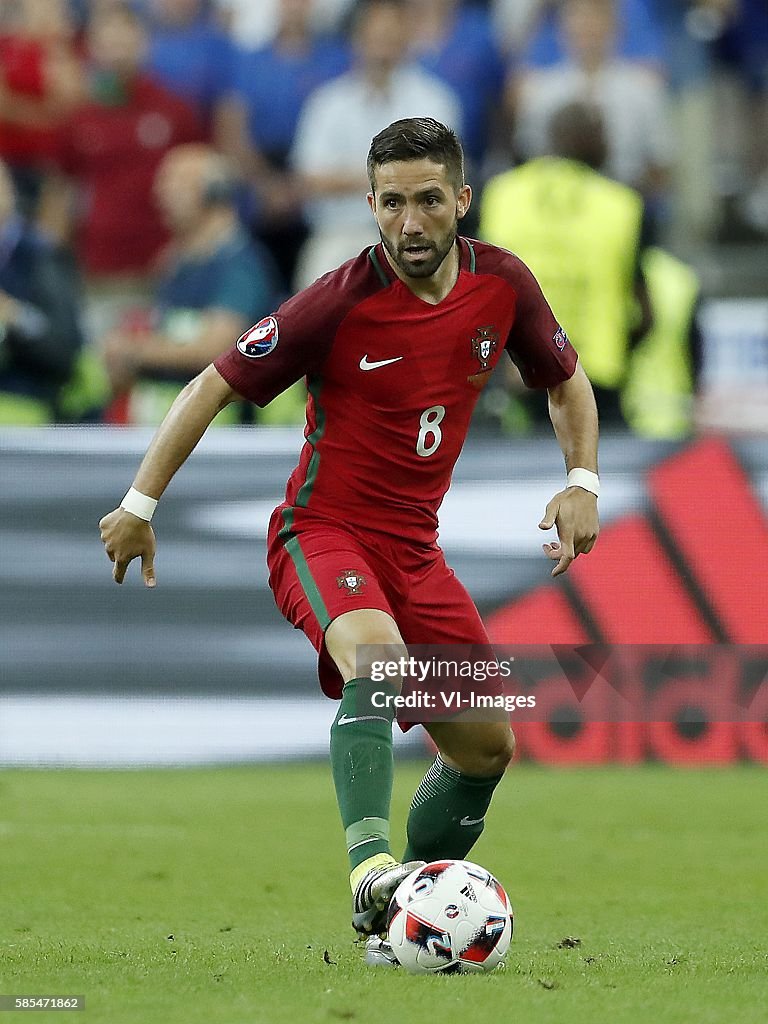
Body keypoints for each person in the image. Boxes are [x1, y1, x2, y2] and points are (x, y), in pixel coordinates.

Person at [98, 117, 599, 966]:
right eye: (393, 202)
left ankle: (402, 915)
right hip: (321, 534)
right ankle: (372, 870)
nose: (411, 222)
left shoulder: (503, 286)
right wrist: (140, 503)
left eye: (429, 200)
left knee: (486, 745)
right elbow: (211, 384)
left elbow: (565, 381)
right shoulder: (336, 299)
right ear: (370, 205)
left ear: (461, 201)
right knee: (380, 660)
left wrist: (582, 481)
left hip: (416, 552)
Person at [480, 101, 653, 427]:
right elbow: (644, 311)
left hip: (520, 368)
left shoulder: (503, 193)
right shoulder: (621, 204)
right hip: (596, 373)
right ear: (598, 142)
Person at [102, 143, 291, 426]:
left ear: (214, 193)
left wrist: (134, 351)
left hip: (219, 430)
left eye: (175, 182)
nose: (160, 193)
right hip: (172, 421)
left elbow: (219, 347)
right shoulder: (175, 264)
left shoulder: (240, 265)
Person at [290, 0, 461, 288]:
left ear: (407, 37)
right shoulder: (327, 103)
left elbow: (440, 177)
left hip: (416, 233)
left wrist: (350, 180)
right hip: (340, 233)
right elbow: (309, 180)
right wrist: (396, 182)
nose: (383, 45)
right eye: (375, 35)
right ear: (357, 39)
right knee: (314, 303)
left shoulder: (434, 100)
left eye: (391, 35)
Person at [0, 158, 83, 423]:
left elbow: (64, 349)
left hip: (29, 415)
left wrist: (15, 316)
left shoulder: (41, 256)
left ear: (8, 192)